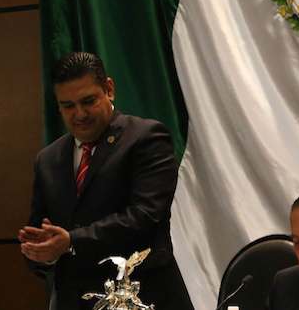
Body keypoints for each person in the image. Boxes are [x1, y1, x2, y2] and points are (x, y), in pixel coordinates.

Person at [18, 52, 194, 310]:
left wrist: (71, 241)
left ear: (109, 89)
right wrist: (41, 252)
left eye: (88, 101)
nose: (79, 114)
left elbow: (144, 216)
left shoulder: (147, 138)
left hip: (141, 297)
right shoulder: (48, 159)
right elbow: (44, 232)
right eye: (68, 106)